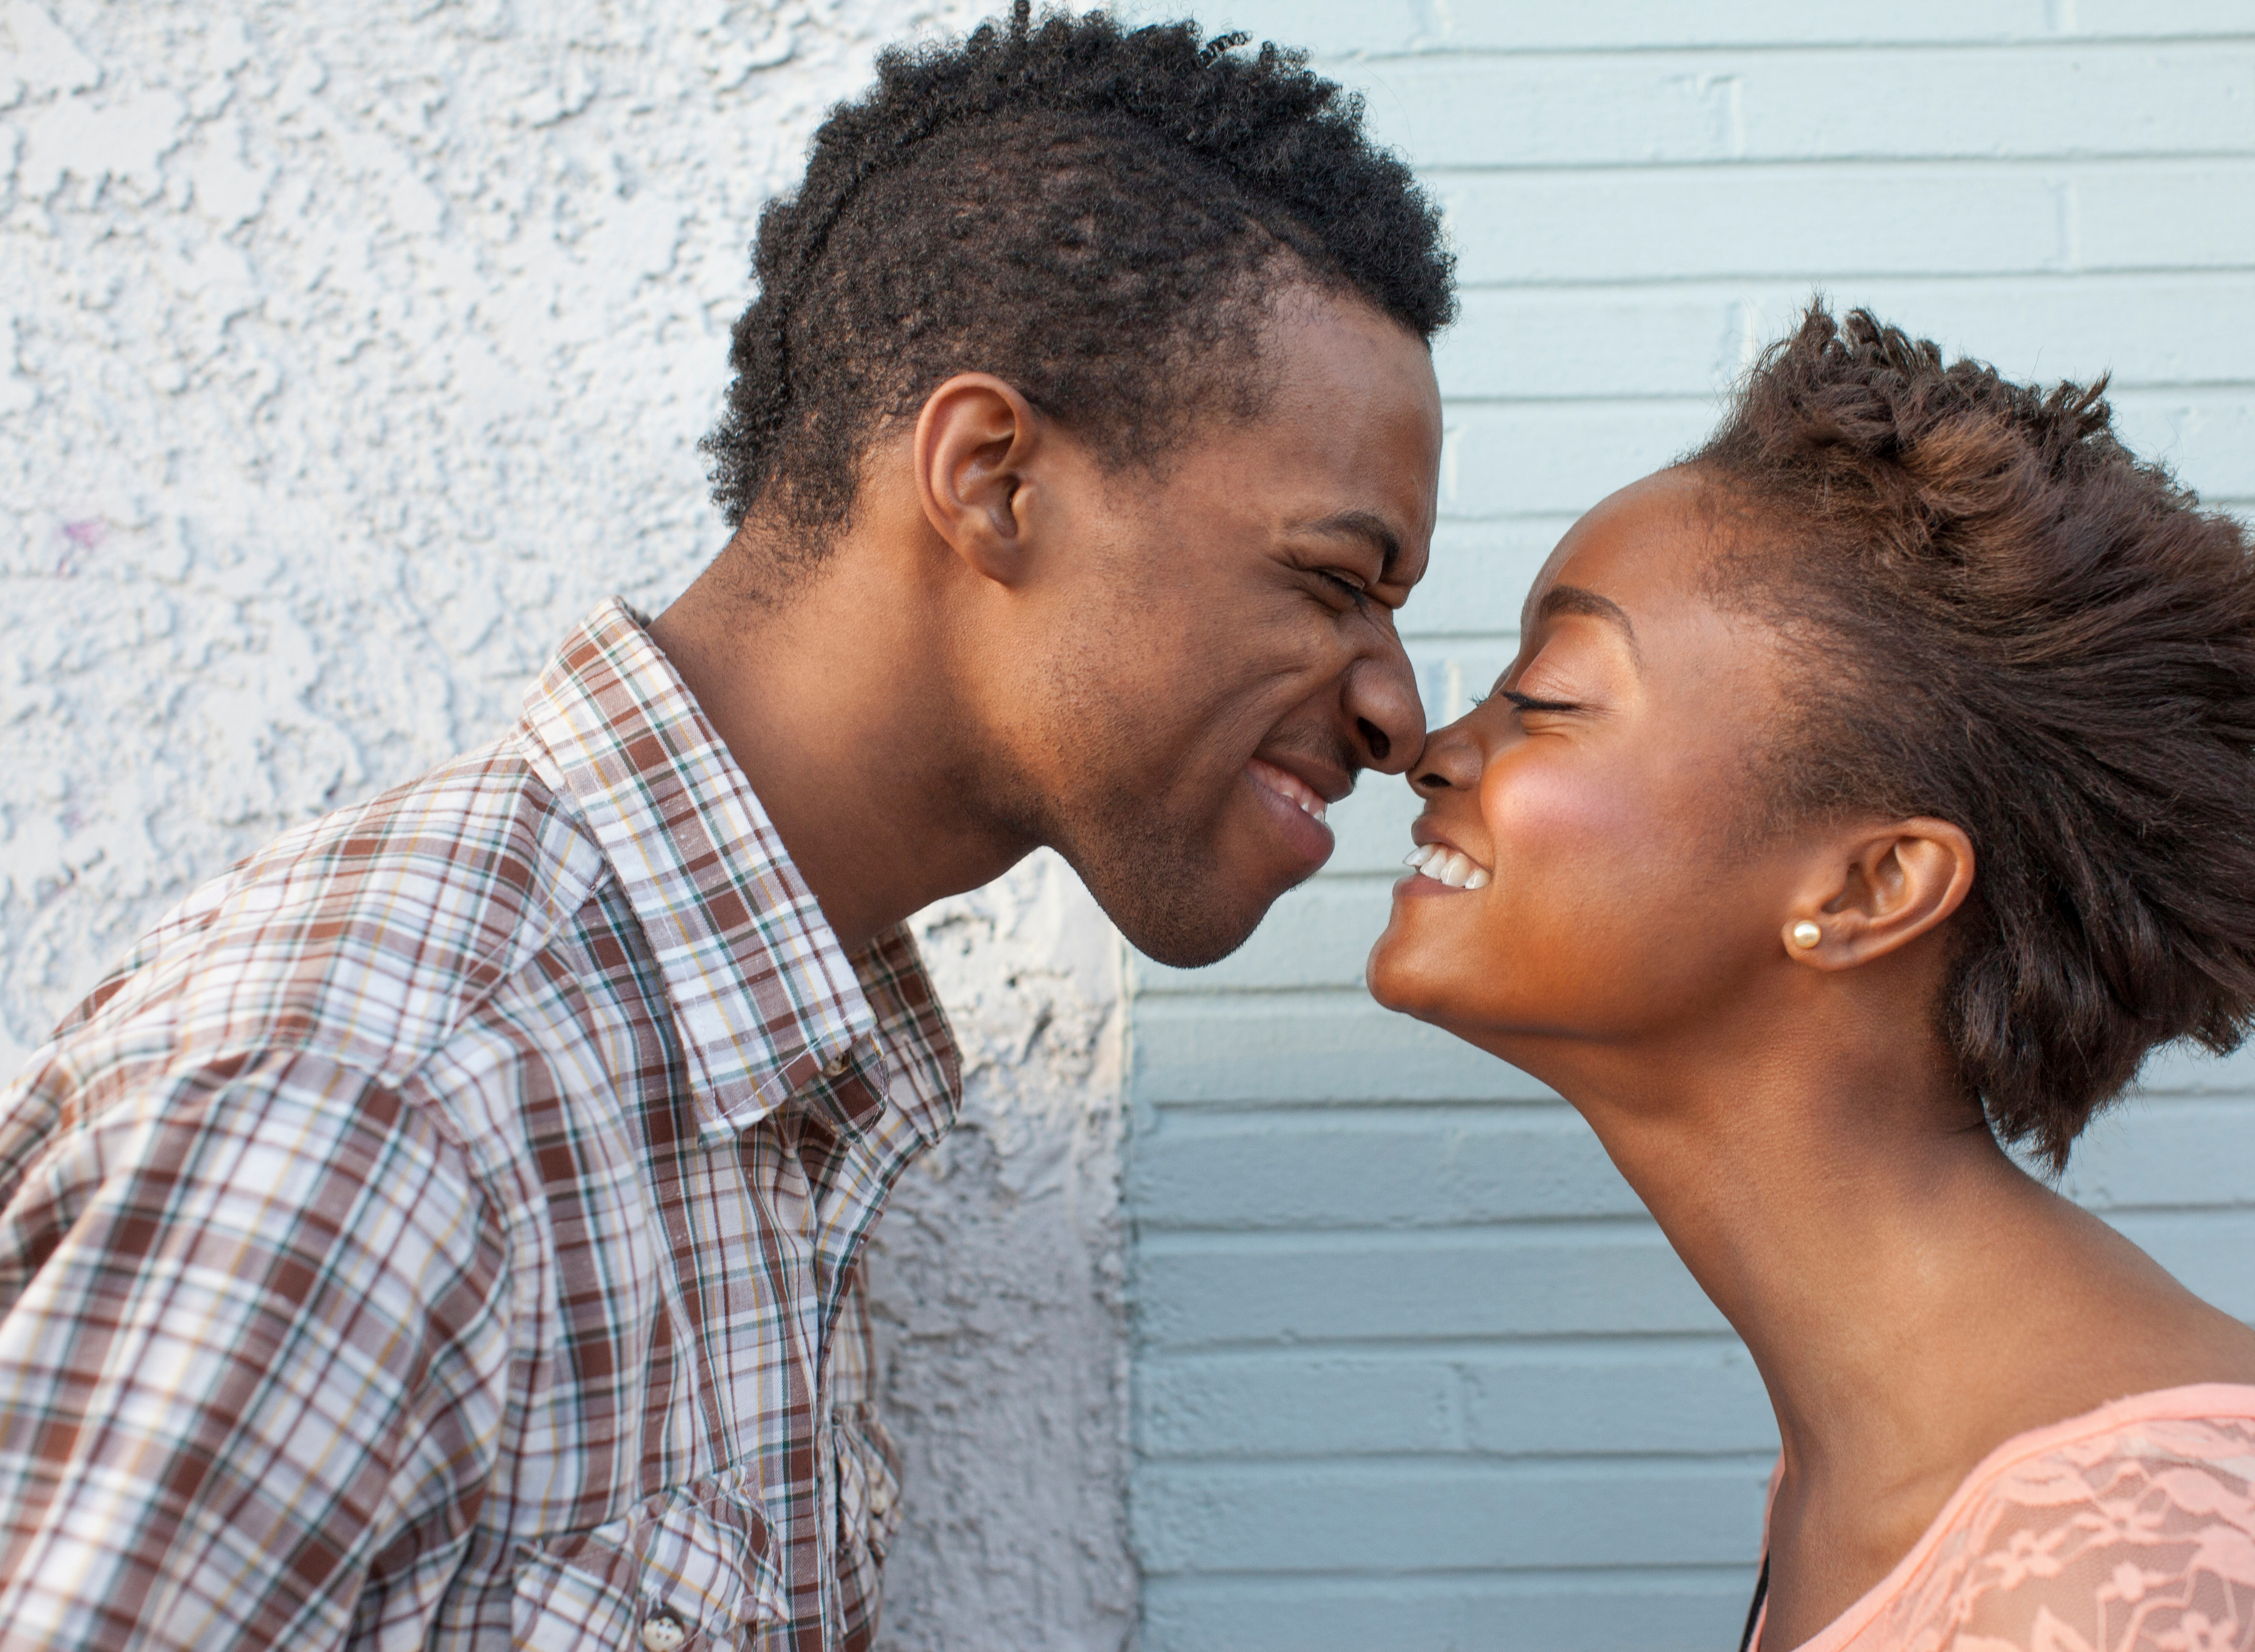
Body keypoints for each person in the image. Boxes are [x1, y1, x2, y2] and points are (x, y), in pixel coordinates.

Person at [0, 9, 1450, 1649]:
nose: (1397, 710)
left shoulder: (754, 1067)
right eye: (1335, 581)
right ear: (990, 479)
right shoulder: (400, 1095)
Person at [1368, 306, 2255, 1652]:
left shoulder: (2137, 1573)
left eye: (1545, 698)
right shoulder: (1874, 1455)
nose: (1431, 747)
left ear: (1868, 889)